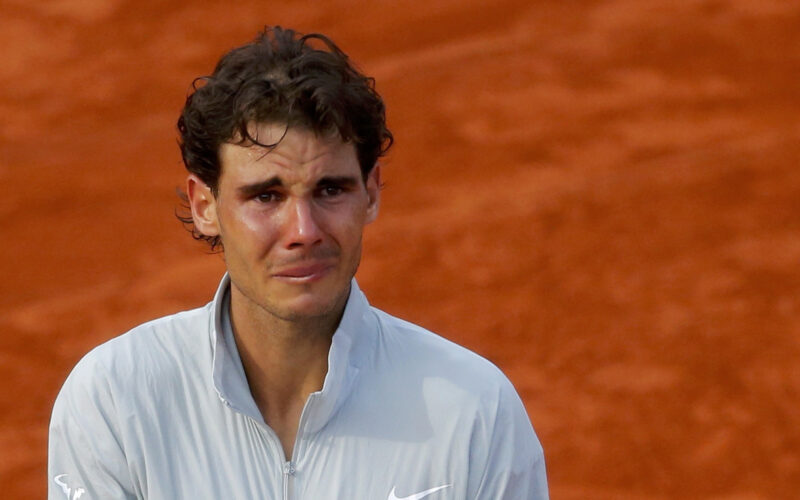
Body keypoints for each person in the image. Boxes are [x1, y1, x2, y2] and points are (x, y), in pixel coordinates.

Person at [48, 26, 548, 499]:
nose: (304, 231)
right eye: (266, 196)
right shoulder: (115, 402)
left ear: (371, 194)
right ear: (205, 206)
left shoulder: (475, 414)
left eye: (330, 190)